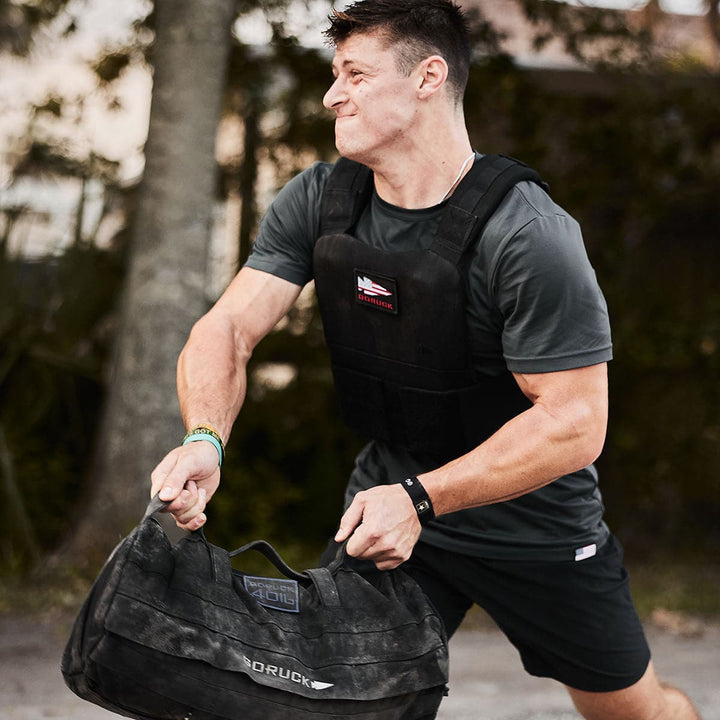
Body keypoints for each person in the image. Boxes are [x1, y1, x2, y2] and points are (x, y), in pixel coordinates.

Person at [150, 1, 701, 718]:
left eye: (354, 73)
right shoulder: (321, 201)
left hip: (532, 526)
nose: (331, 94)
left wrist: (423, 497)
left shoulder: (527, 233)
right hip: (386, 515)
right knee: (327, 706)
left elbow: (575, 421)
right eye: (333, 74)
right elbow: (226, 330)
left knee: (634, 714)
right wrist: (204, 438)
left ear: (427, 77)